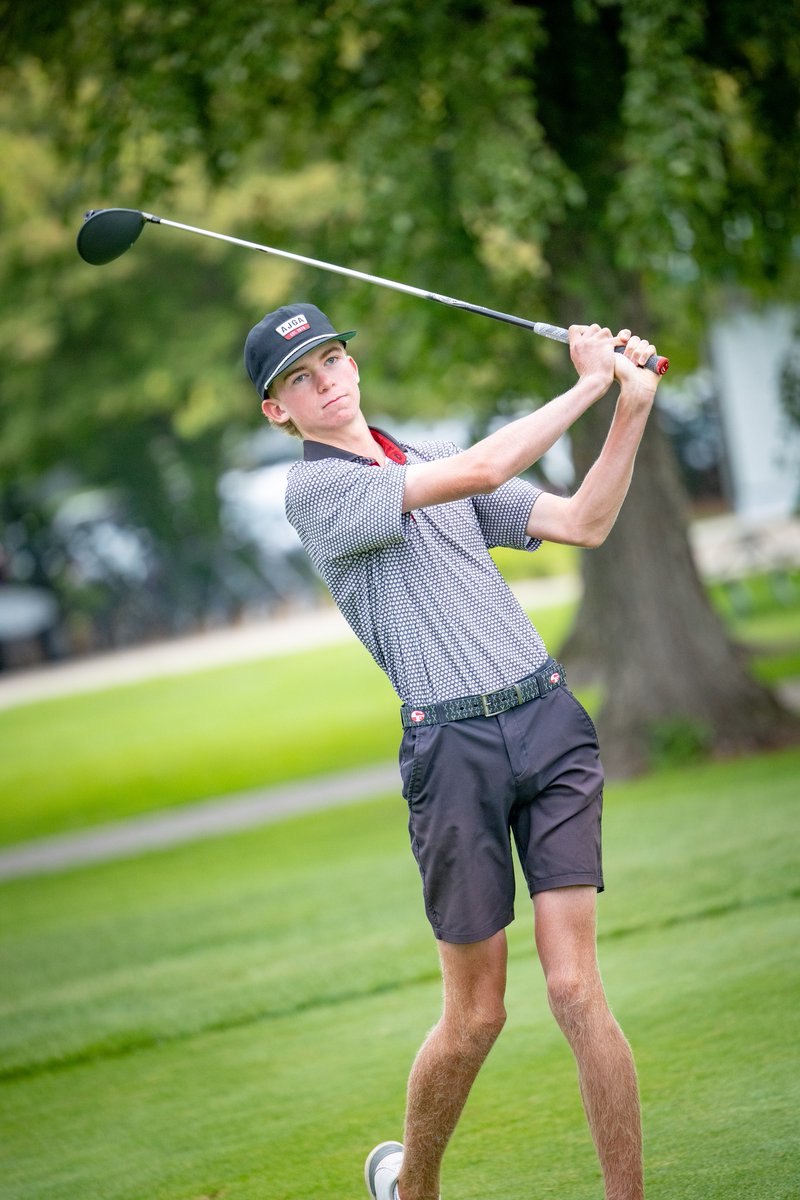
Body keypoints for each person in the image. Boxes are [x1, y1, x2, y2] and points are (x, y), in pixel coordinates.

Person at [244, 302, 661, 1200]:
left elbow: (584, 520)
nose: (325, 383)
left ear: (353, 365)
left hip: (547, 722)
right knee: (477, 1016)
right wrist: (588, 383)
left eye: (331, 361)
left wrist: (629, 407)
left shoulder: (429, 456)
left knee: (575, 989)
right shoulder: (317, 494)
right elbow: (485, 467)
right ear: (278, 410)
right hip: (452, 751)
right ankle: (415, 1189)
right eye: (299, 380)